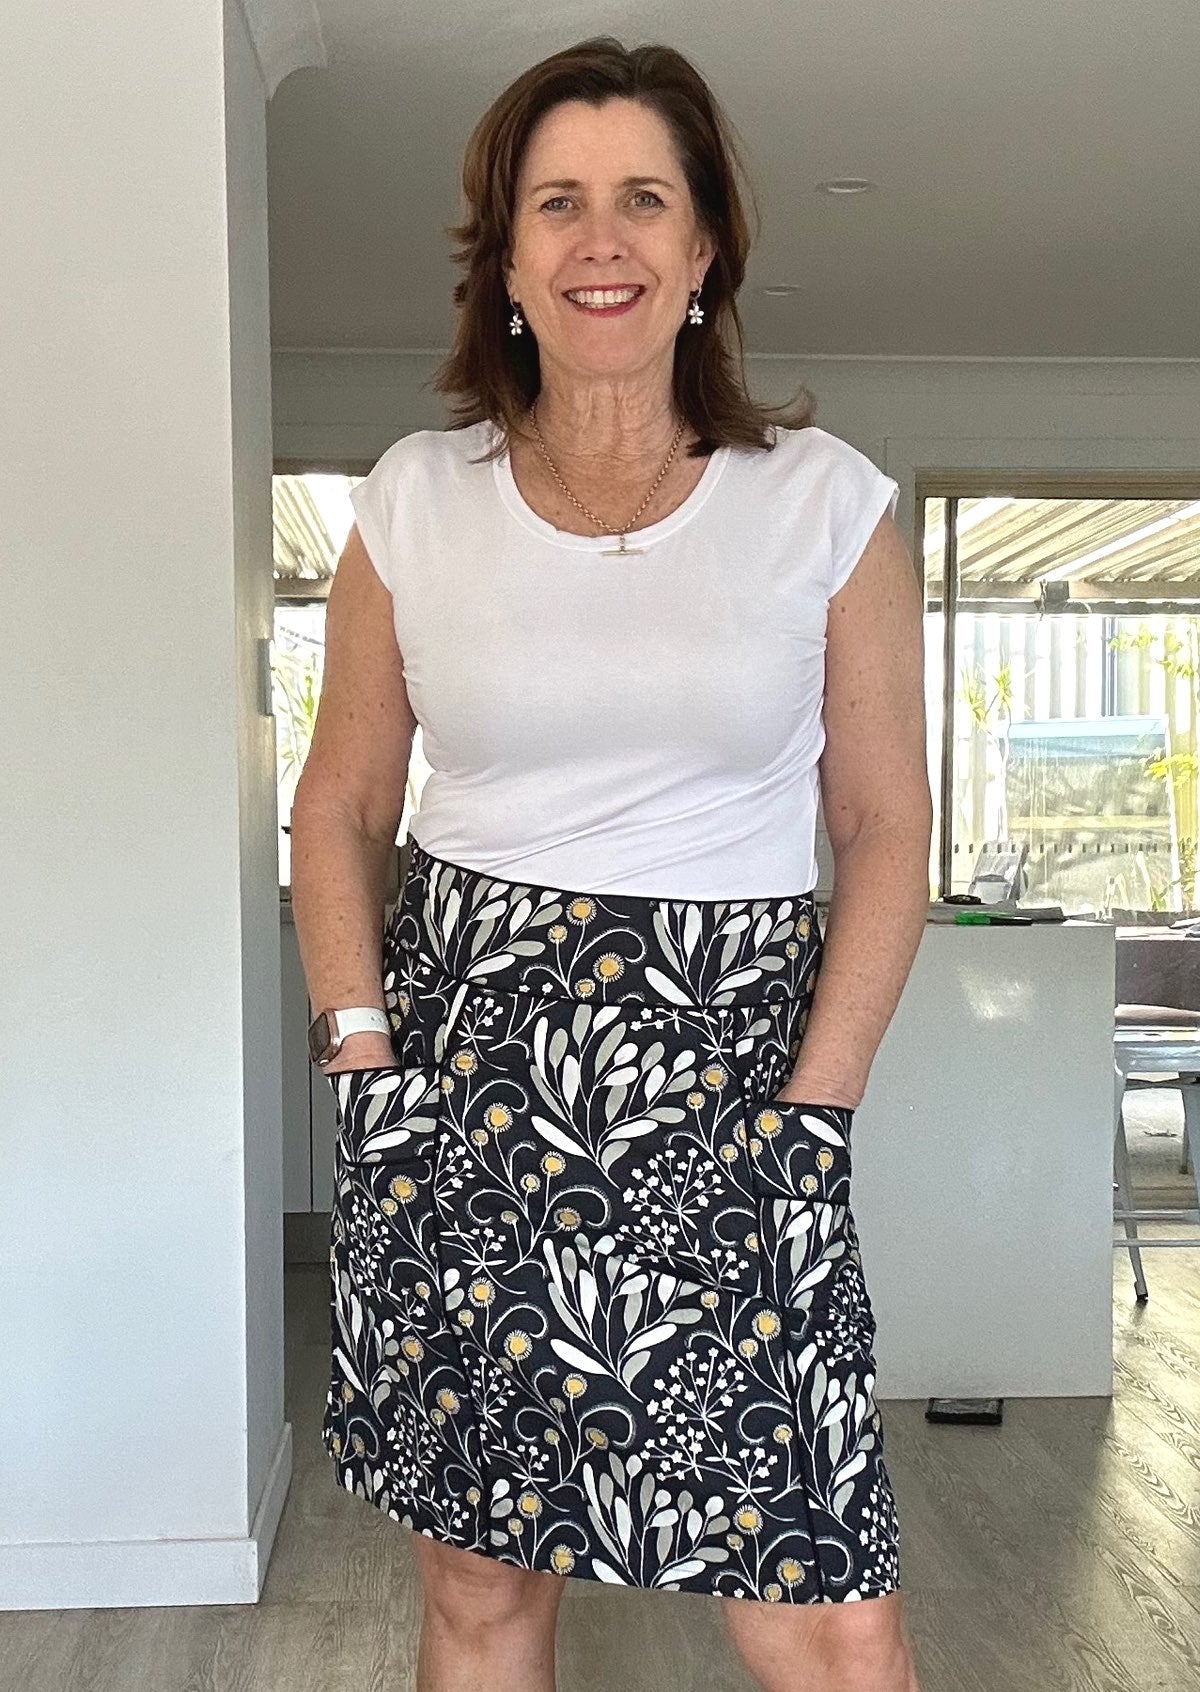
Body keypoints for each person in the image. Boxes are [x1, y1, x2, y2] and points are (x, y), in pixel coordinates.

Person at [290, 34, 931, 1692]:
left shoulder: (825, 506)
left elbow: (882, 828)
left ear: (706, 248)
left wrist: (818, 1104)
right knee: (485, 1590)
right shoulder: (414, 504)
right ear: (504, 256)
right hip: (470, 1074)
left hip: (739, 1089)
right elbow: (344, 803)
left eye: (644, 197)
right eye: (556, 202)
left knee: (825, 1609)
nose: (602, 238)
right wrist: (363, 1056)